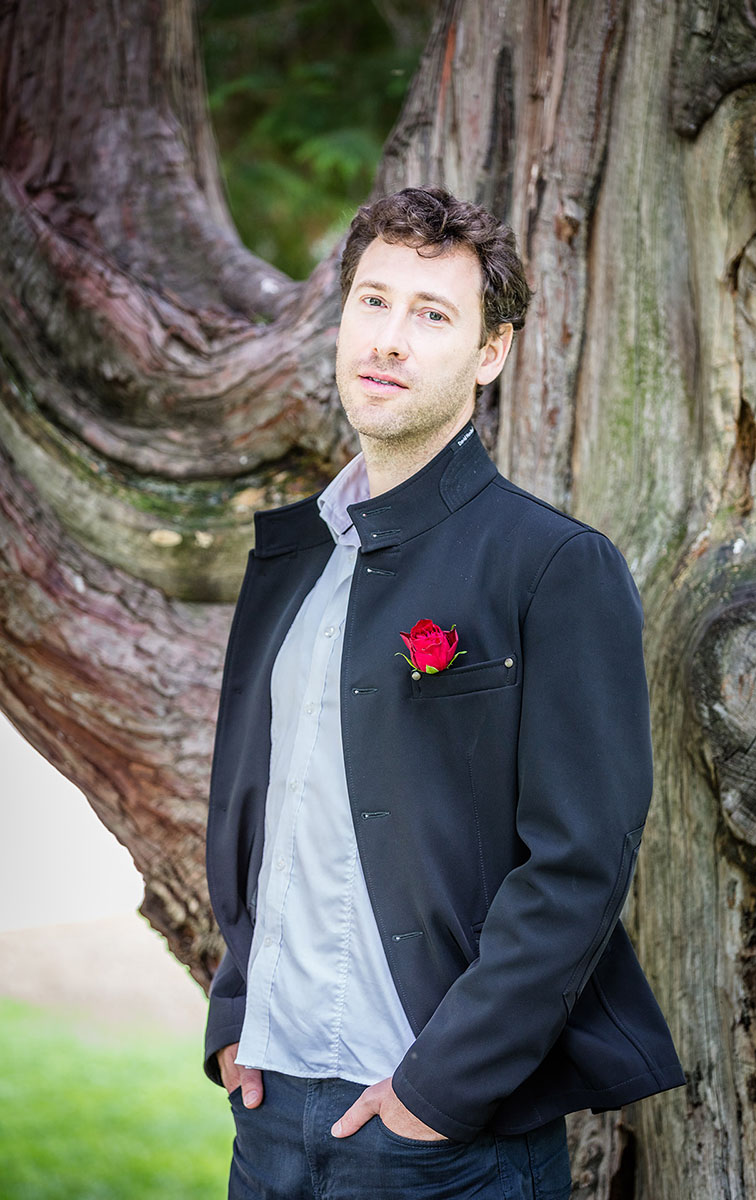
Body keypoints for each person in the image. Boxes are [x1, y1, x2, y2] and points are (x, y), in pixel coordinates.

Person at [204, 186, 684, 1199]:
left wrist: (438, 1093)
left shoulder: (553, 566)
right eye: (373, 302)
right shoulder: (294, 561)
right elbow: (266, 816)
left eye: (431, 315)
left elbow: (580, 859)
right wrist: (231, 1016)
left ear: (489, 353)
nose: (389, 339)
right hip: (266, 1119)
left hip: (439, 1143)